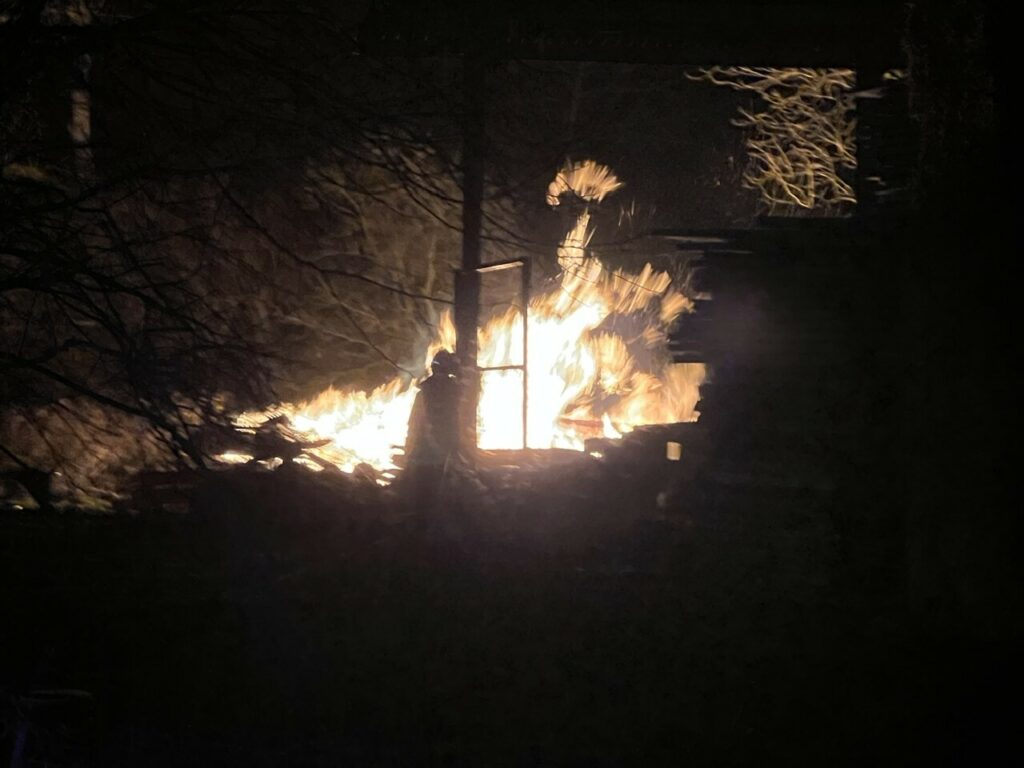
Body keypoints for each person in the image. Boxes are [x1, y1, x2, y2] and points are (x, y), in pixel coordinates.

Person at [403, 350, 461, 526]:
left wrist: (409, 449)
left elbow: (413, 424)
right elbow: (453, 422)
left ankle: (421, 525)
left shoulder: (426, 391)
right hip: (434, 453)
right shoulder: (452, 392)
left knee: (423, 497)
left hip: (425, 453)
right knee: (432, 496)